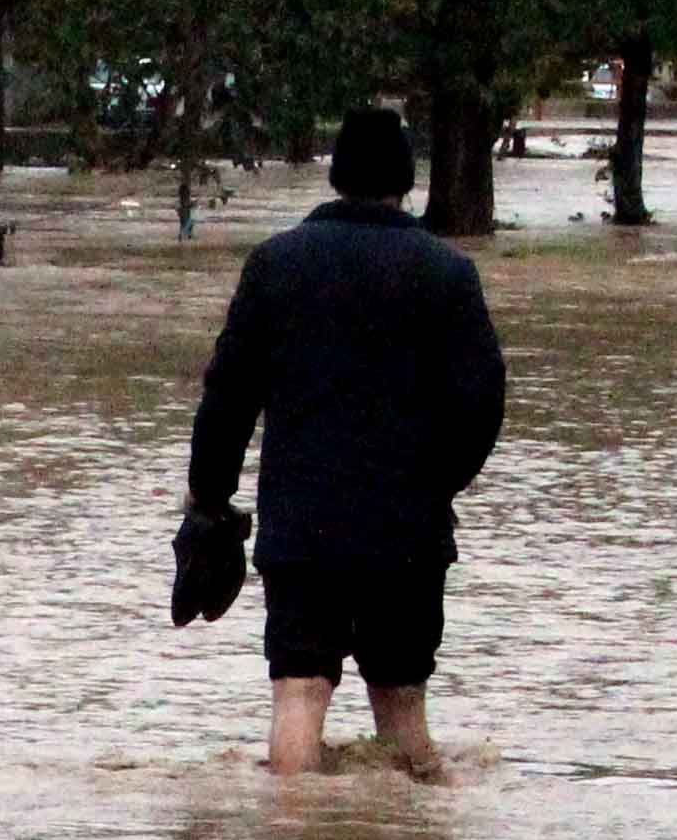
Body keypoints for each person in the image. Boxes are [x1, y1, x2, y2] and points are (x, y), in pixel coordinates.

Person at [176, 104, 506, 779]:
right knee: (403, 702)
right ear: (406, 182)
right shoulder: (447, 273)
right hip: (408, 529)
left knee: (299, 691)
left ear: (336, 176)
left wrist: (210, 496)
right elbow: (483, 404)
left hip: (303, 528)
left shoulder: (275, 265)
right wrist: (435, 482)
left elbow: (228, 395)